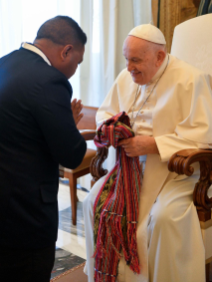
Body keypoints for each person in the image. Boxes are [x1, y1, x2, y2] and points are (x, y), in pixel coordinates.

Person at [83, 24, 212, 282]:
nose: (129, 67)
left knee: (165, 218)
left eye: (136, 60)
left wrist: (152, 145)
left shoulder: (191, 79)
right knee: (91, 202)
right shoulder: (126, 77)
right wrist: (112, 129)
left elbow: (204, 135)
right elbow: (105, 114)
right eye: (126, 59)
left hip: (175, 173)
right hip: (127, 170)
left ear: (159, 57)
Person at [0, 16, 87, 282]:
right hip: (26, 215)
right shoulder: (50, 81)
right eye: (77, 62)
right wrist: (70, 126)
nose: (75, 70)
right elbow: (71, 154)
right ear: (67, 51)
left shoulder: (5, 63)